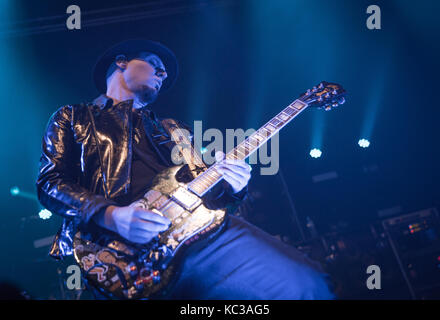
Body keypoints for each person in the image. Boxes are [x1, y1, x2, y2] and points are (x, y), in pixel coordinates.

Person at [36, 39, 334, 299]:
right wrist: (111, 215)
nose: (163, 74)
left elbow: (211, 198)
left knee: (305, 285)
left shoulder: (174, 130)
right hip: (115, 253)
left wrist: (235, 186)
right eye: (155, 64)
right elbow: (50, 183)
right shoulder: (73, 117)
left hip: (198, 237)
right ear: (121, 62)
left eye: (164, 71)